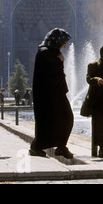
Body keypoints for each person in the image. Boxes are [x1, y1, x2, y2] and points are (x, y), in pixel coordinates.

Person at [29, 28, 74, 159]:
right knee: (59, 119)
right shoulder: (46, 54)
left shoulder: (50, 52)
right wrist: (59, 61)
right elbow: (52, 74)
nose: (65, 45)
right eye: (63, 42)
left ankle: (59, 146)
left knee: (60, 119)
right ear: (57, 41)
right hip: (48, 95)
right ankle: (41, 147)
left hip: (54, 94)